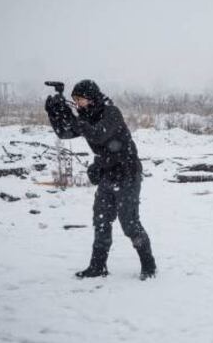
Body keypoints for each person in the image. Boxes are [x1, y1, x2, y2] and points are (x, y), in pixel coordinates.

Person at [44, 79, 156, 280]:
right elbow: (65, 132)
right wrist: (54, 112)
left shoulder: (111, 112)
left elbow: (98, 135)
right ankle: (98, 267)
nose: (77, 104)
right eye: (74, 100)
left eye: (80, 100)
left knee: (130, 224)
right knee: (101, 221)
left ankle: (149, 265)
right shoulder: (86, 116)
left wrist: (74, 118)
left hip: (128, 175)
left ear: (92, 98)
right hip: (108, 175)